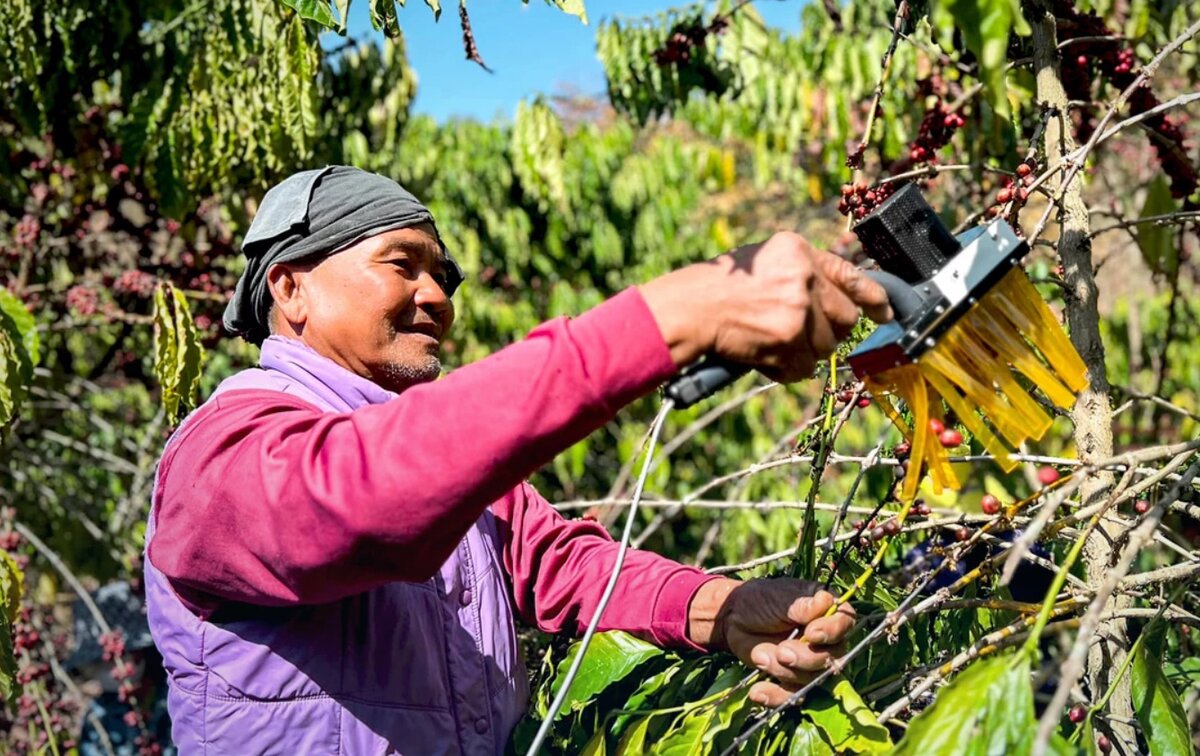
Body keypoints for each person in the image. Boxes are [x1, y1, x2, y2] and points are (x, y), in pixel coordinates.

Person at [143, 166, 893, 754]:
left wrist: (721, 612)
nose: (435, 295)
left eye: (443, 275)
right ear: (292, 287)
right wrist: (675, 314)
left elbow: (559, 566)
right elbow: (362, 503)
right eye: (401, 264)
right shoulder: (224, 450)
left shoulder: (422, 444)